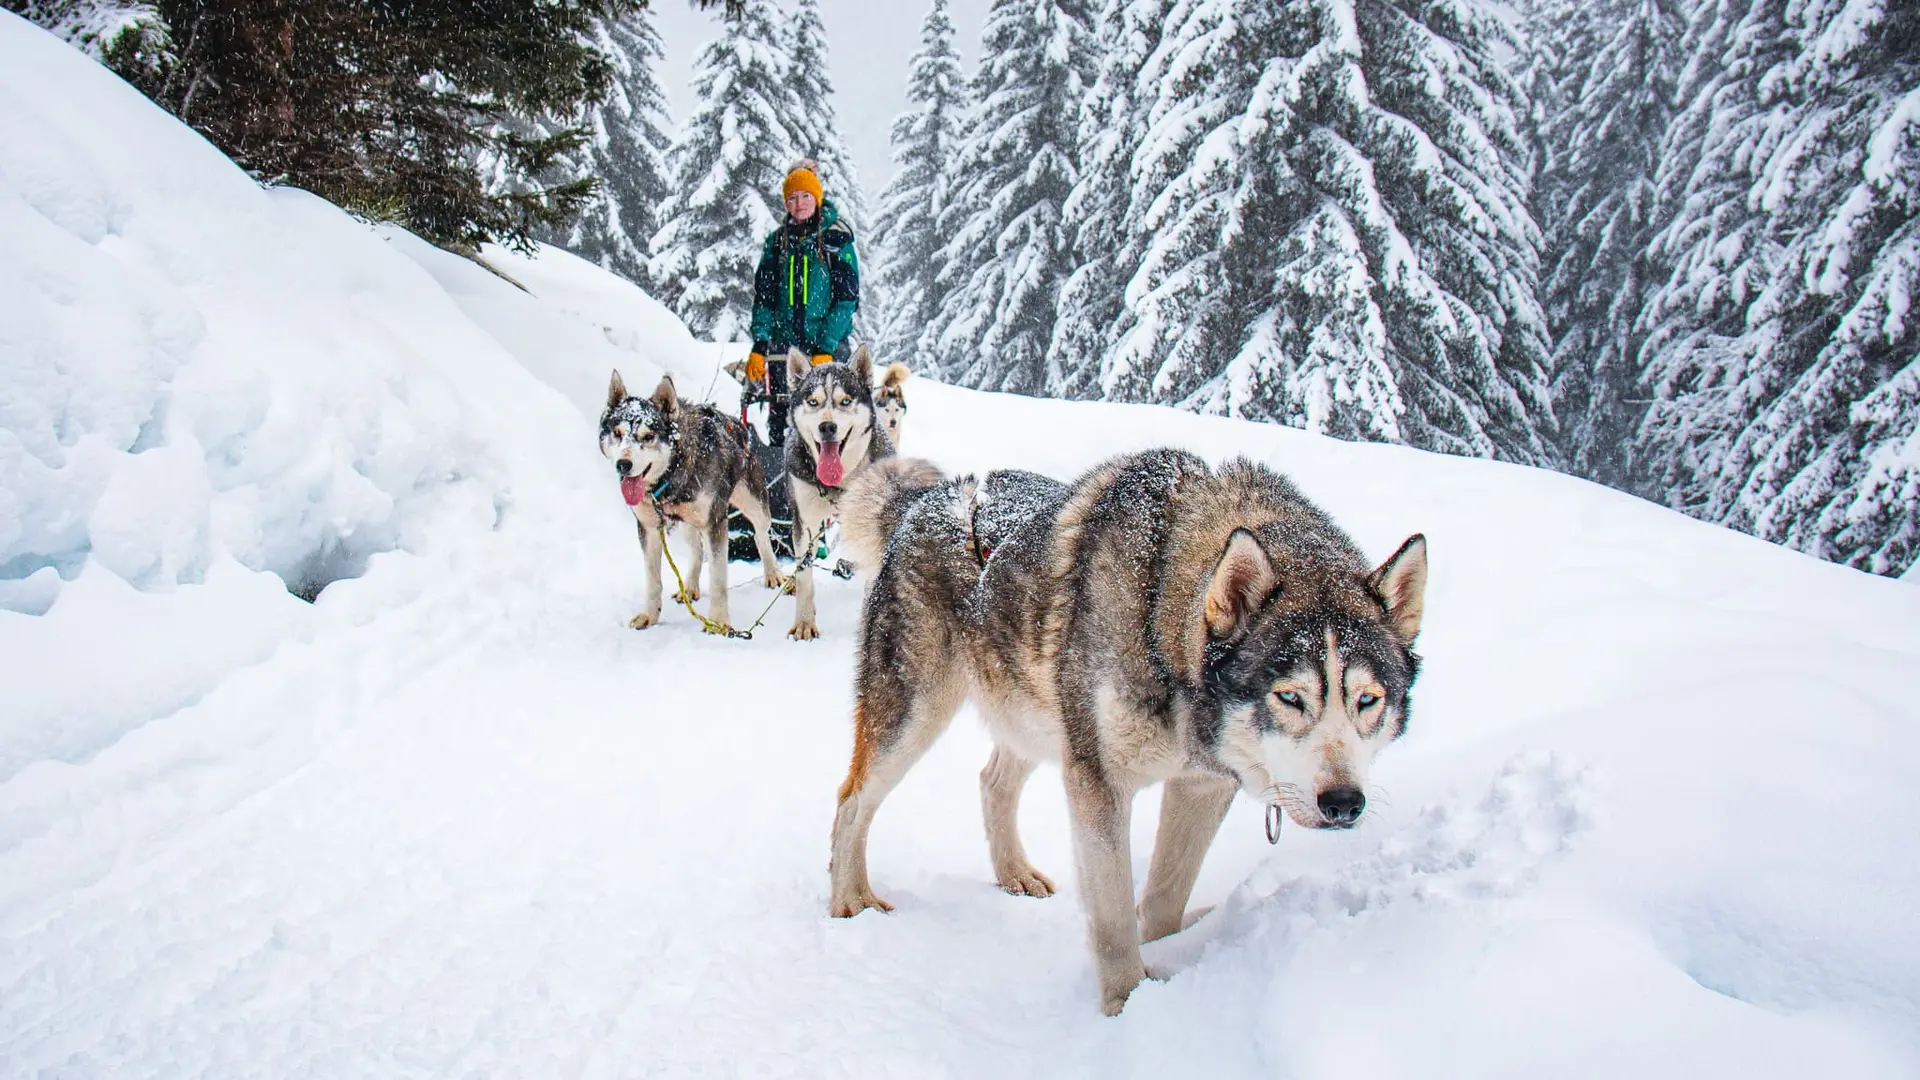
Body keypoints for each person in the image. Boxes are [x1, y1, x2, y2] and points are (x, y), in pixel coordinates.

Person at [745, 159, 861, 448]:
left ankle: (831, 477)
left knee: (828, 419)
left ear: (817, 198)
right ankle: (779, 478)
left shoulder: (836, 239)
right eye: (792, 198)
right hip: (783, 348)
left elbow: (846, 300)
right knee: (782, 416)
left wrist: (825, 345)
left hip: (828, 346)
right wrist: (760, 345)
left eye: (805, 196)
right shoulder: (776, 244)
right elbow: (765, 298)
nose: (798, 205)